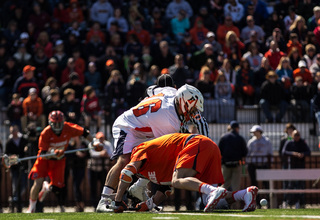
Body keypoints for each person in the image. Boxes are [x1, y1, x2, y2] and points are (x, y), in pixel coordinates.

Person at [96, 84, 209, 212]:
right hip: (128, 126)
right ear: (185, 102)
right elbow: (166, 146)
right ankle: (104, 199)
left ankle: (139, 188)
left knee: (151, 159)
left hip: (144, 128)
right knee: (125, 160)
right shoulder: (169, 121)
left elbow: (152, 89)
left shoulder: (172, 93)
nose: (194, 114)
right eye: (193, 109)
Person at [111, 133, 258, 213]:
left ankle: (213, 190)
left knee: (178, 180)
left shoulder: (139, 150)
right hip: (208, 147)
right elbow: (164, 190)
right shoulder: (156, 164)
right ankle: (244, 194)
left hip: (195, 143)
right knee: (214, 202)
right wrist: (148, 205)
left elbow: (127, 173)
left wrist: (117, 201)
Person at [26, 110, 100, 213]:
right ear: (50, 122)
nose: (57, 126)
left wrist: (94, 141)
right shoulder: (45, 133)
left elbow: (84, 132)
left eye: (59, 123)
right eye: (54, 123)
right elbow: (43, 153)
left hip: (59, 160)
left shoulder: (68, 127)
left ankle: (47, 186)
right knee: (37, 182)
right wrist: (53, 152)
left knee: (57, 187)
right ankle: (31, 208)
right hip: (44, 159)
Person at [282, 130, 311, 209]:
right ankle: (289, 202)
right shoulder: (289, 142)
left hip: (300, 167)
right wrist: (293, 153)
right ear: (292, 135)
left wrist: (302, 154)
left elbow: (308, 152)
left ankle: (300, 202)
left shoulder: (302, 142)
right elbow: (283, 152)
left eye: (298, 135)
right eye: (295, 135)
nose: (297, 137)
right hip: (291, 167)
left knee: (300, 185)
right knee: (290, 185)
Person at [218, 121, 247, 198]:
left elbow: (219, 151)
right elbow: (245, 152)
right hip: (236, 164)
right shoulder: (240, 138)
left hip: (225, 164)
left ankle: (219, 201)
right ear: (237, 128)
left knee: (224, 185)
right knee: (235, 187)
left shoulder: (223, 137)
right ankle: (235, 205)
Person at [5, 125, 28, 213]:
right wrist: (13, 158)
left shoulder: (23, 140)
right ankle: (17, 202)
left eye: (15, 130)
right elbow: (7, 154)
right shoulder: (9, 142)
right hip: (14, 168)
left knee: (24, 184)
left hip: (23, 166)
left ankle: (14, 199)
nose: (13, 132)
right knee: (15, 185)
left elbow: (27, 151)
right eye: (12, 131)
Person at [88, 132, 113, 209]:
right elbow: (92, 154)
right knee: (93, 187)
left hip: (103, 168)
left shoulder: (107, 144)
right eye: (99, 138)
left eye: (102, 138)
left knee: (103, 186)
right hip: (93, 168)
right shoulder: (92, 144)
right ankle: (94, 205)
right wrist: (101, 154)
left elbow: (111, 154)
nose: (101, 140)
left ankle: (103, 202)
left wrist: (105, 154)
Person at [246, 125, 273, 189]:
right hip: (253, 164)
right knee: (253, 182)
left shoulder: (266, 141)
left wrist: (270, 163)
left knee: (266, 182)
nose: (254, 133)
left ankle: (266, 196)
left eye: (255, 132)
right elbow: (248, 153)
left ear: (259, 131)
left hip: (263, 164)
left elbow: (270, 152)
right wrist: (248, 163)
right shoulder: (251, 142)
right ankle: (255, 197)